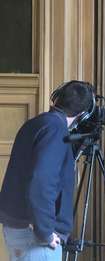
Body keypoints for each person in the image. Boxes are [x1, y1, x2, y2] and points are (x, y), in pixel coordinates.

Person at [0, 80, 94, 261]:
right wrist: (46, 232)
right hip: (34, 235)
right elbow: (41, 182)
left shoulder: (37, 123)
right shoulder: (56, 129)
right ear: (82, 115)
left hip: (19, 226)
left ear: (57, 97)